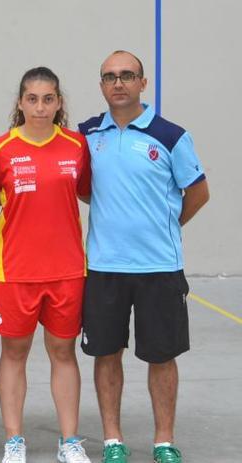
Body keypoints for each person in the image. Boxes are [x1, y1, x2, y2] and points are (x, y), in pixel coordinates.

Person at [78, 51, 209, 463]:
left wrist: (163, 226)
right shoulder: (86, 135)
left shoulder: (171, 135)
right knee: (106, 353)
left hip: (159, 269)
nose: (119, 83)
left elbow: (198, 193)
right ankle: (113, 440)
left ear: (143, 83)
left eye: (127, 76)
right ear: (101, 85)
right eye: (110, 77)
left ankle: (163, 441)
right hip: (104, 269)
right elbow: (84, 189)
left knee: (161, 355)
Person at [0, 67, 92, 463]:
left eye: (48, 99)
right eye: (32, 99)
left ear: (59, 103)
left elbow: (90, 194)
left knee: (63, 352)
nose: (40, 107)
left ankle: (70, 441)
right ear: (20, 103)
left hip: (67, 271)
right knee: (15, 352)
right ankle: (14, 440)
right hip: (14, 272)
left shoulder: (77, 146)